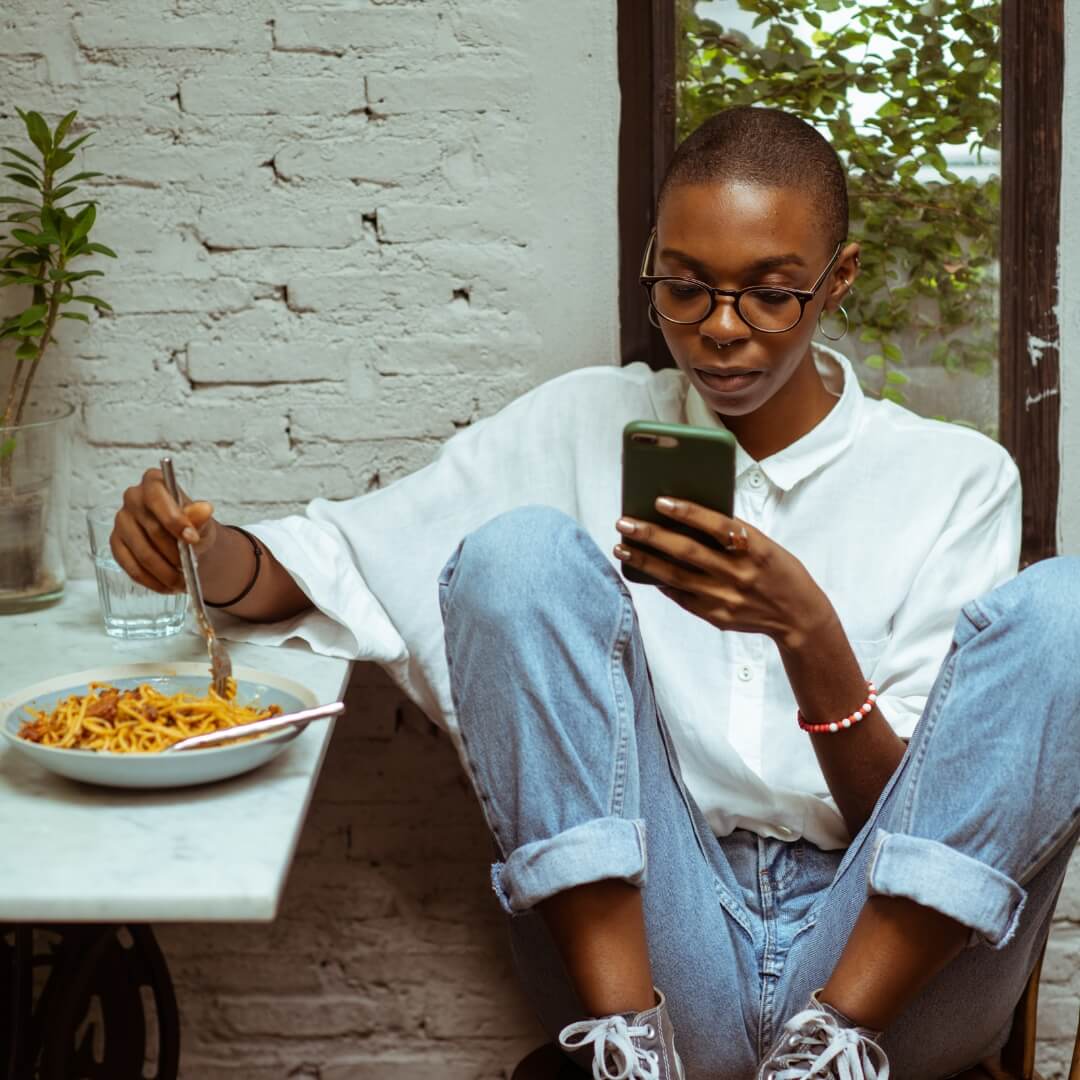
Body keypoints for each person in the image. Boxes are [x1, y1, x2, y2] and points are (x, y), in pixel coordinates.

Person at [111, 107, 1080, 1080]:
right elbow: (342, 556)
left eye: (769, 294)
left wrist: (806, 634)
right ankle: (628, 1054)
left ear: (839, 279)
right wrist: (203, 550)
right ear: (652, 265)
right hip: (663, 946)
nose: (721, 330)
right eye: (685, 289)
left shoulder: (954, 477)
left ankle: (827, 1053)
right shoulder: (581, 424)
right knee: (517, 554)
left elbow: (927, 826)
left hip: (885, 975)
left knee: (1070, 611)